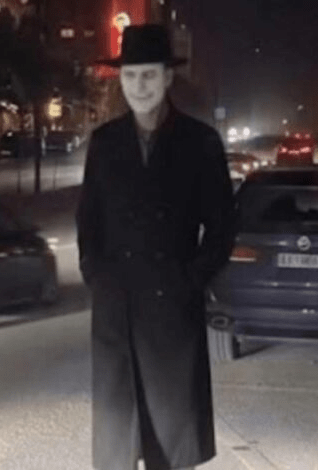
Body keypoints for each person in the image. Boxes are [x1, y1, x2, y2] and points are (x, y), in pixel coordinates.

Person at [76, 24, 236, 470]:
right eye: (130, 76)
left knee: (172, 443)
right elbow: (88, 221)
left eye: (148, 75)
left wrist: (189, 281)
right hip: (116, 310)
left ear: (167, 78)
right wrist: (97, 276)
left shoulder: (200, 142)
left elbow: (223, 228)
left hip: (172, 310)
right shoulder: (105, 143)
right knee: (118, 446)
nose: (139, 86)